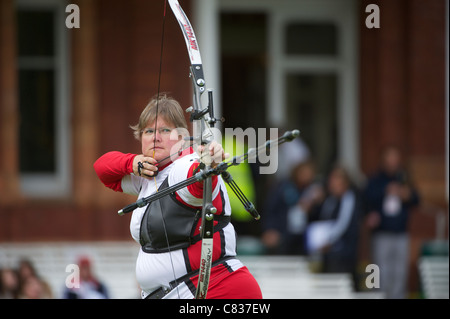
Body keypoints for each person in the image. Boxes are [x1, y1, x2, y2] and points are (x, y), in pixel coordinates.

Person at [93, 94, 262, 299]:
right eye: (148, 131)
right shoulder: (147, 175)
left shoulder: (183, 167)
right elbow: (102, 169)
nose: (155, 137)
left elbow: (197, 181)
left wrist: (209, 164)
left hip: (219, 291)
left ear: (182, 138)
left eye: (165, 130)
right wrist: (132, 162)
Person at [363, 145, 420, 299]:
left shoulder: (404, 178)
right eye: (389, 157)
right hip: (381, 233)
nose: (392, 161)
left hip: (400, 232)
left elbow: (416, 199)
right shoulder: (375, 180)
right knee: (377, 269)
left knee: (400, 271)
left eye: (395, 157)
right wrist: (385, 191)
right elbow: (366, 199)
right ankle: (376, 296)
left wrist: (405, 194)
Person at [305, 165, 363, 291]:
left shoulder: (350, 199)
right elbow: (322, 220)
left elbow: (343, 225)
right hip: (329, 254)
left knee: (343, 287)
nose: (333, 185)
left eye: (336, 181)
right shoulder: (330, 200)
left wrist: (329, 241)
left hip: (344, 255)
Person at [261, 160, 323, 255]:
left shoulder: (314, 191)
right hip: (282, 235)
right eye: (303, 172)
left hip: (303, 238)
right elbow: (271, 210)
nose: (306, 176)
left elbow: (321, 217)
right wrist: (269, 229)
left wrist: (315, 205)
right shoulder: (283, 188)